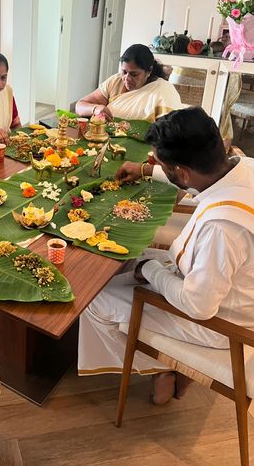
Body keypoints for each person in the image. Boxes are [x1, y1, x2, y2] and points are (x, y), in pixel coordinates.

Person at [78, 107, 254, 405]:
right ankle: (164, 365)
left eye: (163, 165)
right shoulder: (244, 166)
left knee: (94, 299)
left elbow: (198, 307)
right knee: (125, 260)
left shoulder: (221, 228)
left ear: (183, 172)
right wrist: (146, 169)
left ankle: (165, 367)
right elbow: (190, 175)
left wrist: (150, 270)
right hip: (228, 288)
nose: (158, 166)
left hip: (224, 325)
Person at [75, 44, 183, 122]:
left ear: (149, 71)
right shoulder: (116, 81)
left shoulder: (163, 91)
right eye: (124, 72)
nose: (127, 78)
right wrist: (96, 108)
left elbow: (170, 131)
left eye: (134, 74)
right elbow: (80, 106)